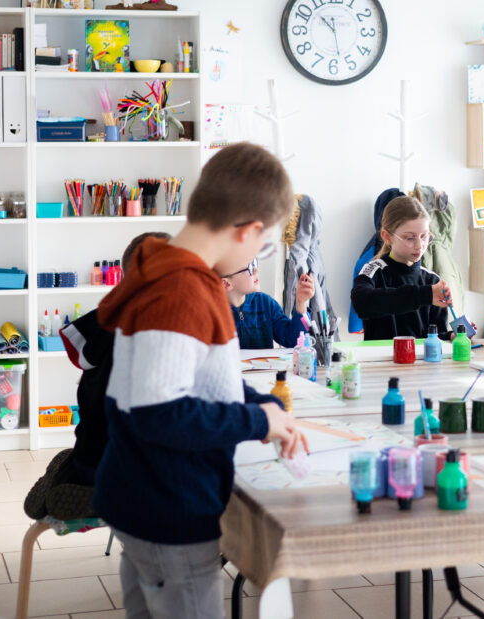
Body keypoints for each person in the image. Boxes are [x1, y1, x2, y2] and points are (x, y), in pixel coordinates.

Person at [94, 143, 306, 619]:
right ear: (249, 230)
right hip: (170, 503)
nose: (259, 255)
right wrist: (255, 422)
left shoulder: (169, 269)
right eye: (264, 245)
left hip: (143, 491)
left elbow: (197, 383)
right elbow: (160, 412)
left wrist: (262, 407)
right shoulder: (181, 290)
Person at [24, 232, 171, 522]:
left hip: (90, 453)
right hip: (123, 466)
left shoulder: (109, 322)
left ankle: (77, 474)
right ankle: (106, 496)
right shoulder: (147, 333)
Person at [350, 195, 454, 340]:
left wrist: (452, 336)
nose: (419, 245)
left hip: (421, 362)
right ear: (387, 237)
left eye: (424, 236)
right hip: (381, 361)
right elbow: (361, 303)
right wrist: (424, 295)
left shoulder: (432, 281)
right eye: (410, 238)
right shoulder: (373, 271)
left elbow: (436, 335)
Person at [223, 255, 315, 349]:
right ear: (226, 283)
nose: (256, 270)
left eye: (254, 263)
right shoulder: (213, 313)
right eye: (249, 268)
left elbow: (294, 341)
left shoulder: (266, 303)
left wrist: (301, 303)